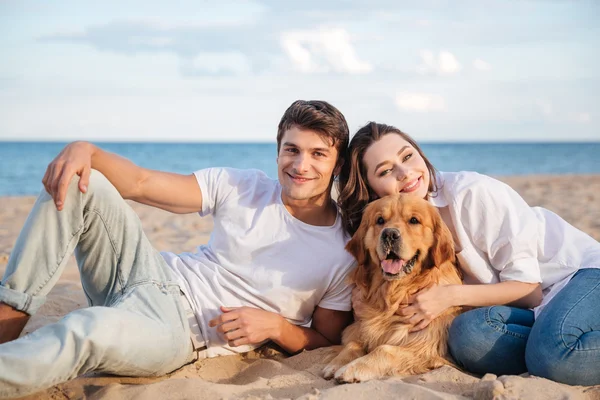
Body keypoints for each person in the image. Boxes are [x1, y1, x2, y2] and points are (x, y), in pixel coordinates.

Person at [0, 100, 356, 398]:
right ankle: (8, 319)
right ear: (278, 150)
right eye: (291, 149)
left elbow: (325, 338)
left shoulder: (341, 251)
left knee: (86, 328)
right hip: (147, 271)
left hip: (180, 329)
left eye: (318, 154)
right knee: (77, 179)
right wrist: (85, 150)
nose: (300, 165)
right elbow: (141, 183)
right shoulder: (241, 185)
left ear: (337, 165)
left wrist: (278, 327)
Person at [337, 121, 600, 386]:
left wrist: (449, 296)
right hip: (531, 308)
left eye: (408, 156)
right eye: (385, 171)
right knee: (468, 337)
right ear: (371, 189)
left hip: (574, 275)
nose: (405, 173)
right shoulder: (383, 224)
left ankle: (554, 351)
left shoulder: (472, 193)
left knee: (557, 357)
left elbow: (529, 289)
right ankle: (547, 346)